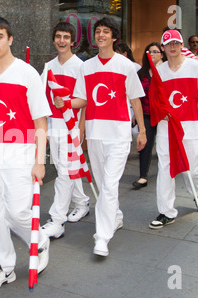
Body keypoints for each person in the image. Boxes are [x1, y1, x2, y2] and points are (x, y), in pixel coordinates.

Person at [0, 16, 51, 292]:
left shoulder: (27, 73)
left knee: (17, 213)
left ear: (10, 38)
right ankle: (2, 267)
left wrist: (40, 162)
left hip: (21, 153)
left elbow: (41, 122)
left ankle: (38, 242)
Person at [55, 17, 147, 256]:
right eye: (98, 31)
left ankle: (102, 237)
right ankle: (115, 216)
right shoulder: (87, 66)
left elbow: (135, 99)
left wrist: (143, 131)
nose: (101, 35)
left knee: (108, 185)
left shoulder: (125, 66)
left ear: (114, 37)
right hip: (96, 134)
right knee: (103, 184)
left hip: (118, 134)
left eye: (106, 32)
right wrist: (64, 103)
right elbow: (82, 100)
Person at [149, 29, 198, 229]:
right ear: (163, 48)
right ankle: (166, 211)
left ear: (181, 45)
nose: (173, 47)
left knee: (193, 169)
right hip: (167, 128)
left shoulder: (195, 67)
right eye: (168, 44)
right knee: (166, 168)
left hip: (191, 126)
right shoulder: (159, 72)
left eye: (176, 43)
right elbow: (154, 102)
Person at [40, 22, 90, 239]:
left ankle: (57, 220)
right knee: (66, 169)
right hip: (53, 126)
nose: (61, 41)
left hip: (70, 127)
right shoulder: (48, 66)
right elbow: (41, 99)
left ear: (73, 41)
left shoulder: (80, 66)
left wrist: (80, 130)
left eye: (66, 37)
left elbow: (85, 101)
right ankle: (82, 202)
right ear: (54, 39)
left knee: (64, 172)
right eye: (58, 36)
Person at [132, 42, 164, 189]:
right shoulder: (141, 74)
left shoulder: (167, 72)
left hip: (164, 116)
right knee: (145, 145)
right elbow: (135, 97)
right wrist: (135, 115)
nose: (152, 54)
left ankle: (168, 173)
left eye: (156, 52)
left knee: (165, 146)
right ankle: (142, 176)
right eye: (149, 52)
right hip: (146, 114)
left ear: (162, 54)